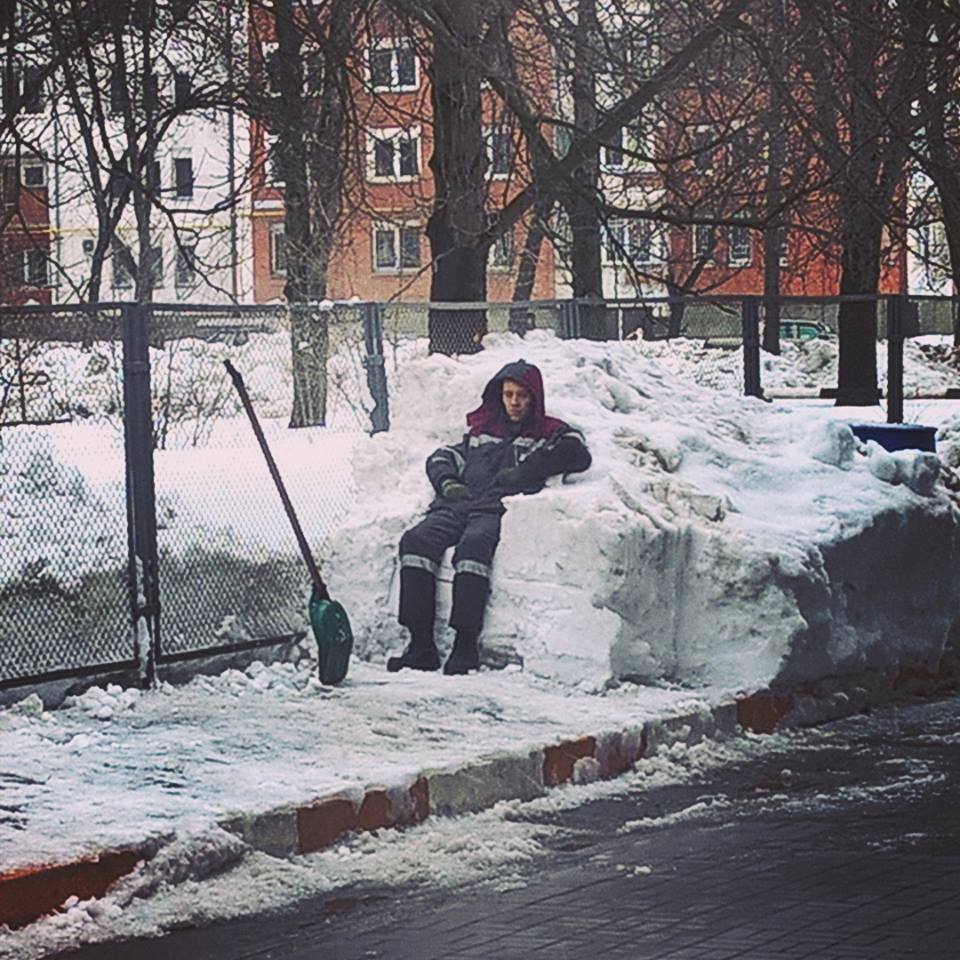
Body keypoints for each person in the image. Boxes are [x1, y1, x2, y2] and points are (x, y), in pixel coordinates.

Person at [388, 359, 591, 676]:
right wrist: (448, 483)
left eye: (521, 396)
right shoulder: (482, 431)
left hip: (496, 509)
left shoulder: (546, 432)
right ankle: (420, 646)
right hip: (457, 505)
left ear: (533, 398)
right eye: (508, 394)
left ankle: (465, 645)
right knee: (415, 542)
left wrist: (526, 470)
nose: (514, 402)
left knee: (472, 550)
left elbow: (577, 454)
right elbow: (441, 457)